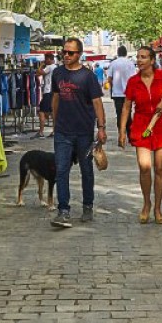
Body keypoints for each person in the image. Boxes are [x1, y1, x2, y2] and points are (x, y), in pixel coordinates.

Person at [51, 38, 107, 227]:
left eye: (70, 53)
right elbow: (56, 99)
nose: (66, 55)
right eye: (64, 52)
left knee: (86, 170)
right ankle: (63, 210)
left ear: (79, 54)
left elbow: (97, 102)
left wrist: (101, 128)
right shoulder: (57, 73)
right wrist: (54, 122)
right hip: (62, 131)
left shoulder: (88, 76)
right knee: (61, 170)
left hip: (84, 131)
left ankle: (87, 205)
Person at [118, 46, 162, 224]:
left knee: (159, 168)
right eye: (138, 57)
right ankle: (146, 203)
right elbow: (127, 106)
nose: (139, 60)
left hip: (161, 125)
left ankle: (158, 208)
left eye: (143, 57)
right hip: (141, 125)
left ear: (152, 60)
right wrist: (122, 130)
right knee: (144, 167)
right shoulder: (133, 81)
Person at [108, 46, 137, 137]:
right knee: (128, 112)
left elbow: (109, 78)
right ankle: (129, 133)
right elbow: (134, 78)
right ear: (126, 53)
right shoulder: (131, 63)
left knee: (119, 113)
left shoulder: (113, 63)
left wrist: (112, 88)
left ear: (118, 53)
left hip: (117, 93)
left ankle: (121, 133)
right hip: (128, 92)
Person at [36, 53, 58, 138]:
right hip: (52, 92)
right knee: (52, 112)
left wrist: (41, 65)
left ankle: (41, 132)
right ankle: (54, 131)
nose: (44, 61)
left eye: (45, 59)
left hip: (48, 92)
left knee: (41, 111)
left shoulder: (50, 67)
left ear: (49, 59)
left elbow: (39, 73)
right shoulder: (55, 67)